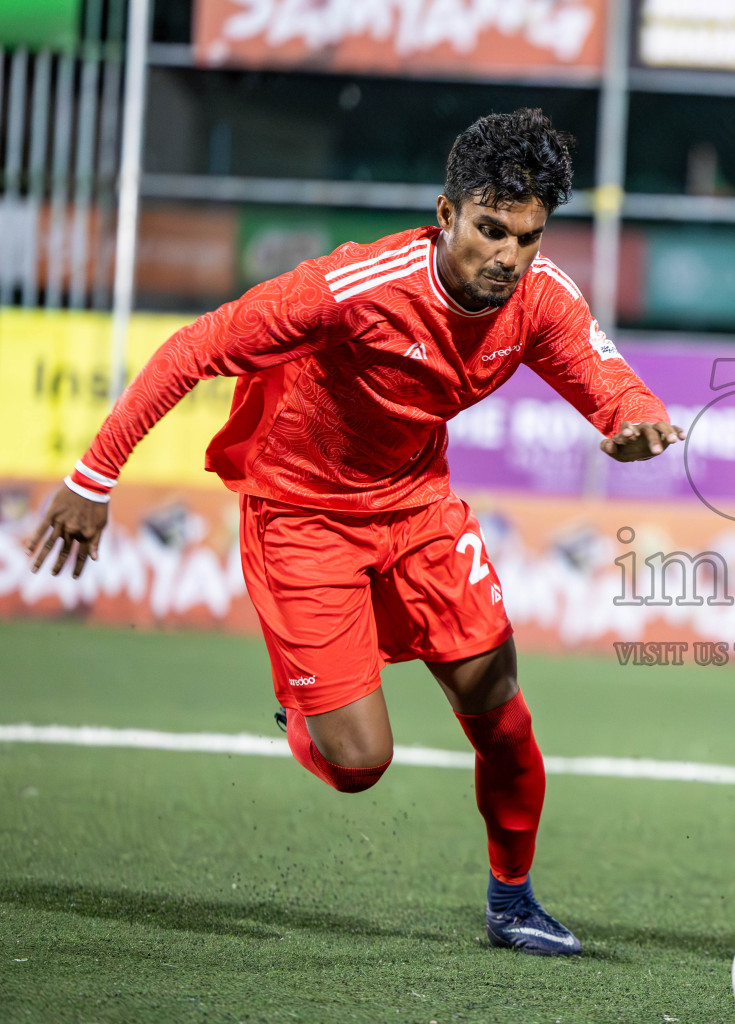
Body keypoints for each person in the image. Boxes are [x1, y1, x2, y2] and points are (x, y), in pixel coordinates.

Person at [26, 109, 684, 955]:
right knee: (357, 763)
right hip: (302, 516)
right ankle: (305, 706)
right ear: (446, 215)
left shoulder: (538, 298)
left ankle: (512, 902)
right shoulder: (350, 288)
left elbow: (612, 381)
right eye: (490, 229)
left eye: (527, 236)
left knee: (498, 699)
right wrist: (92, 477)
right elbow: (192, 349)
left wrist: (638, 421)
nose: (507, 255)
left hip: (416, 510)